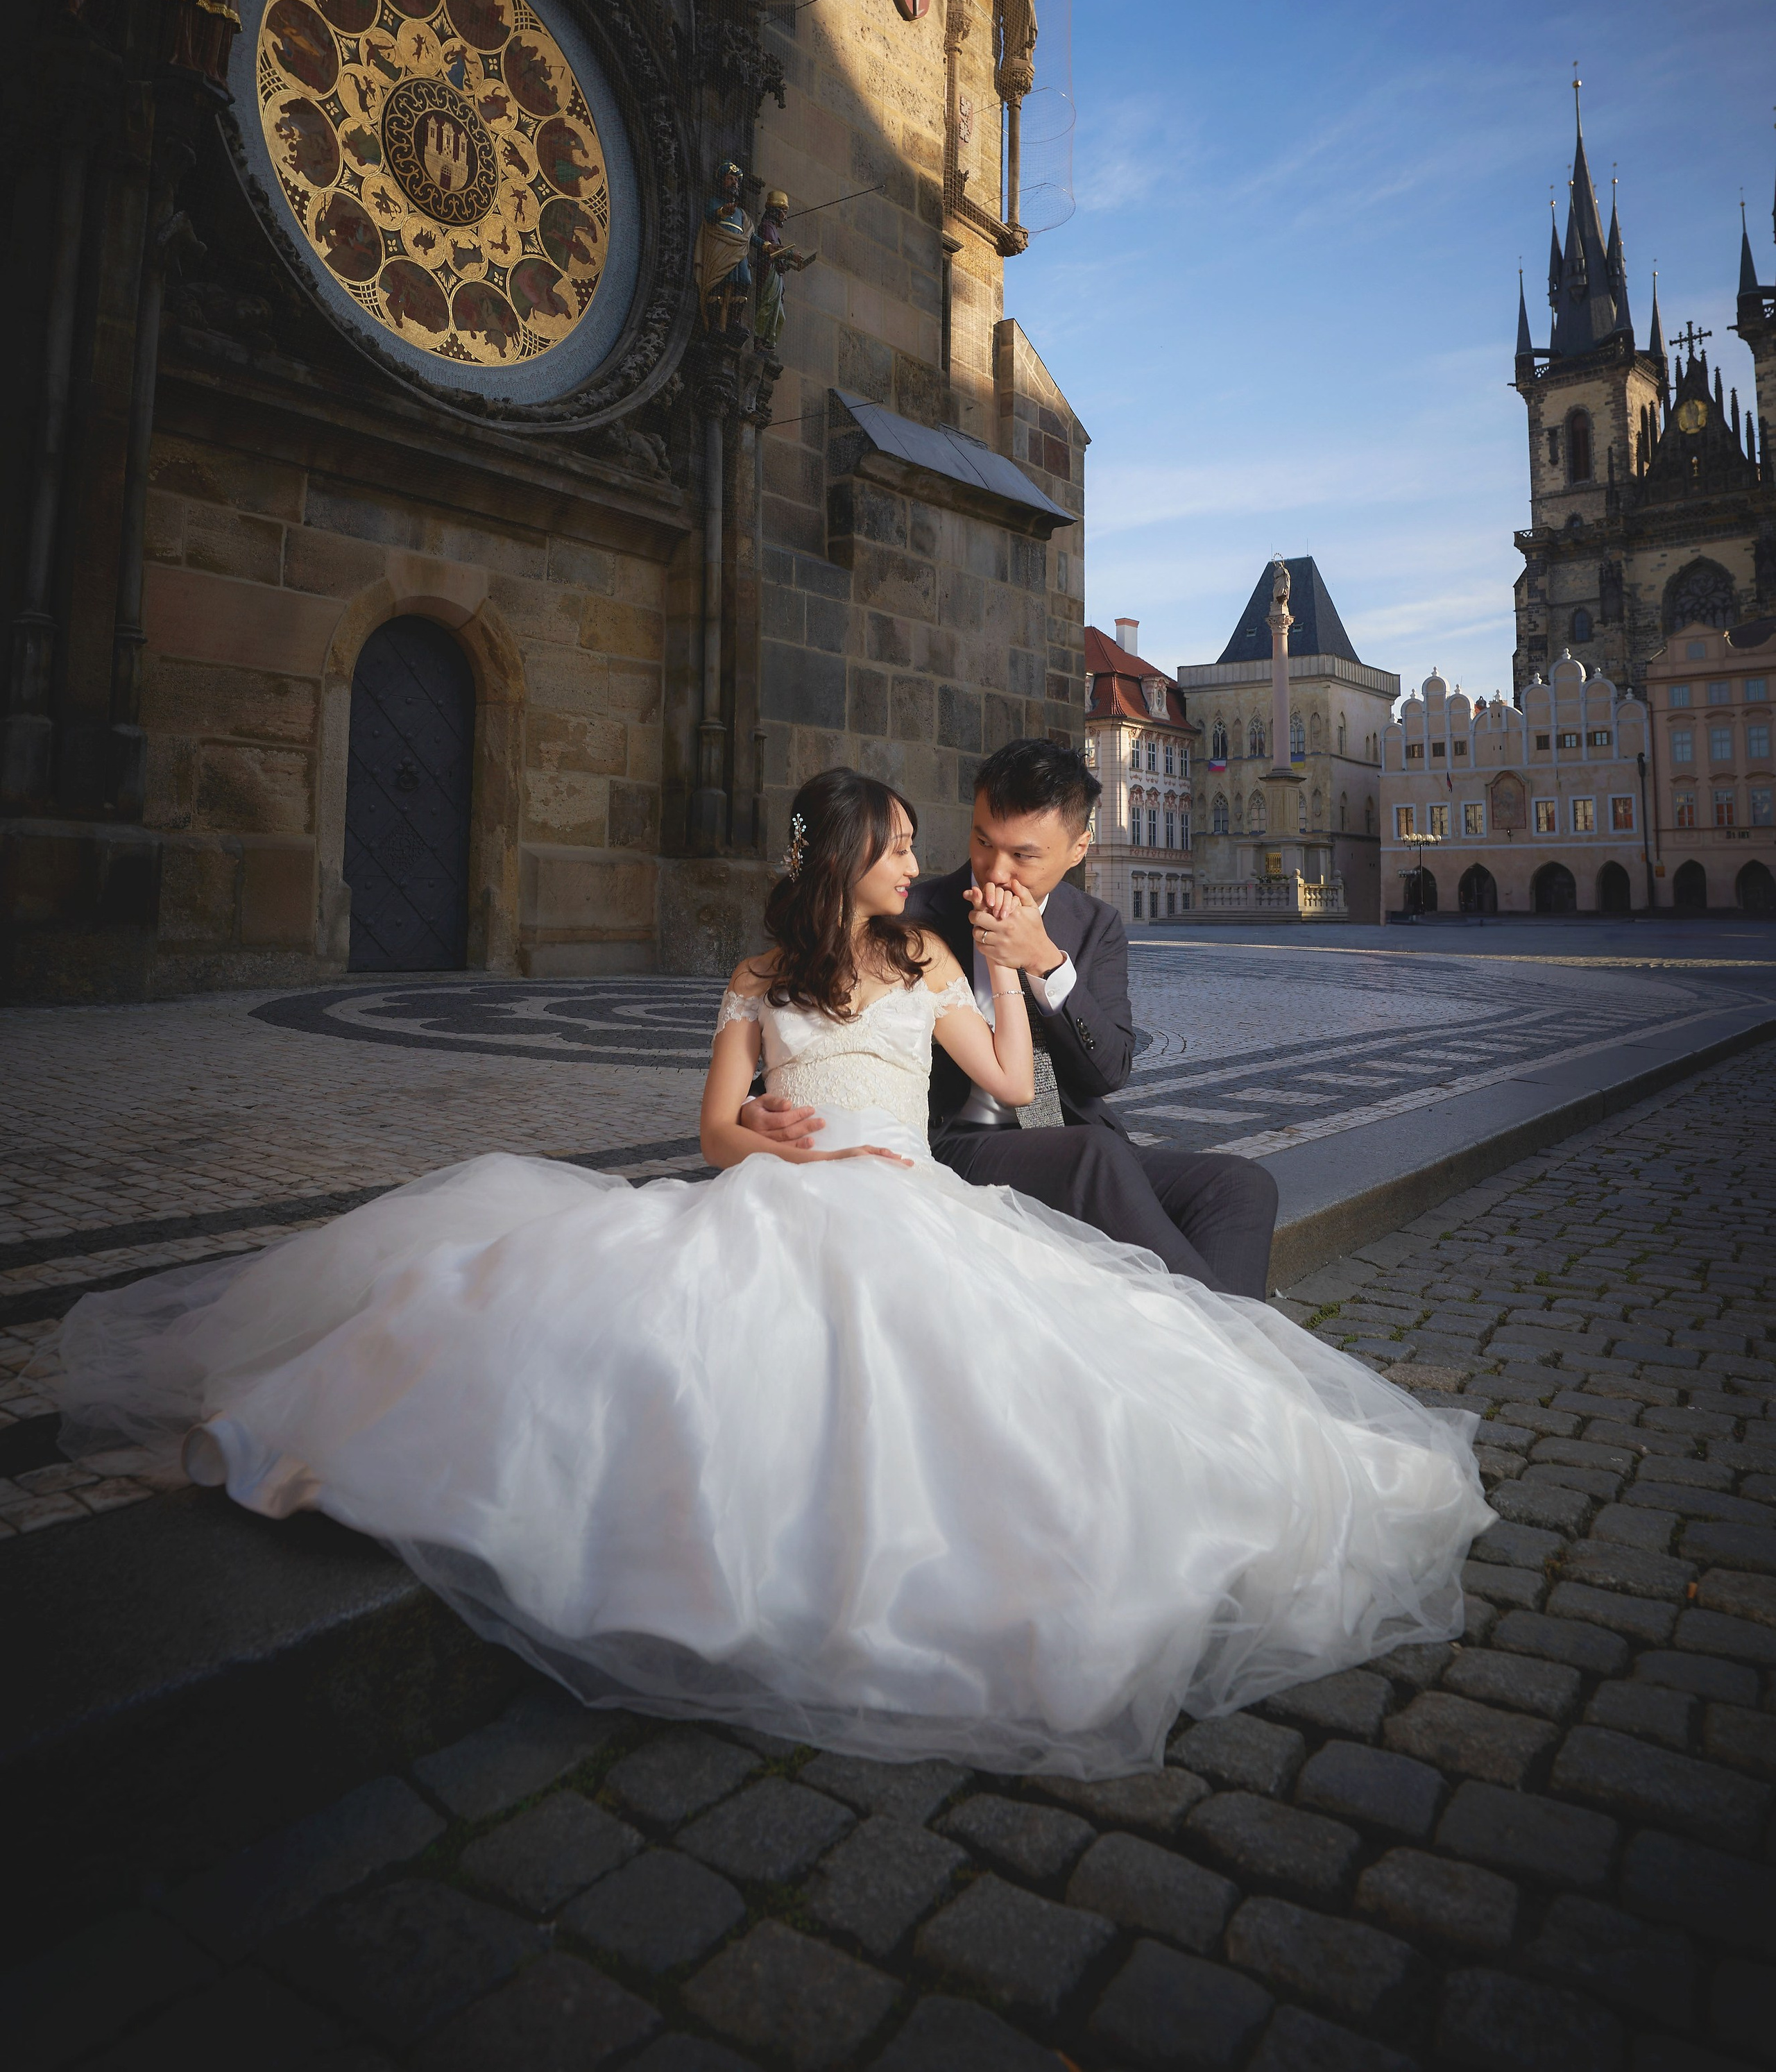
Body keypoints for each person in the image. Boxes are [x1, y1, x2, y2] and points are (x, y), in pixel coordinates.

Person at [55, 770, 1489, 1776]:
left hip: (912, 1197)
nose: (918, 857)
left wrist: (999, 963)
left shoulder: (929, 949)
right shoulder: (758, 969)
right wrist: (761, 1138)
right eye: (897, 839)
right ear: (841, 853)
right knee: (592, 1324)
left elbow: (1003, 1071)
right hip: (786, 1196)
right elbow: (712, 1125)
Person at [743, 738, 1279, 1296]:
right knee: (1093, 1157)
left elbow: (1109, 1071)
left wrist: (1045, 961)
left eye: (1022, 855)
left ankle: (1224, 1335)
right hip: (953, 1142)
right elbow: (819, 1029)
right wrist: (753, 1106)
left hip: (1069, 1137)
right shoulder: (909, 916)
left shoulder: (1096, 926)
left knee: (1242, 1184)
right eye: (982, 841)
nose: (995, 869)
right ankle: (1236, 1347)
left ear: (1078, 847)